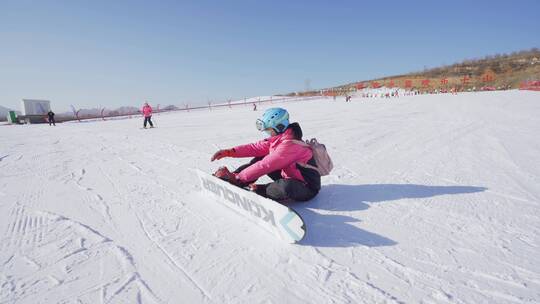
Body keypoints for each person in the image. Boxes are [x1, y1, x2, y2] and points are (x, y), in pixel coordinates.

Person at [210, 108, 320, 202]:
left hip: (306, 187)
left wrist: (238, 179)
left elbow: (267, 165)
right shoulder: (278, 138)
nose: (267, 133)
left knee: (286, 186)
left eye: (269, 130)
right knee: (261, 157)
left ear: (280, 127)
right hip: (288, 174)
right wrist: (229, 152)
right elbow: (254, 148)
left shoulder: (291, 145)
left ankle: (258, 189)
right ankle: (235, 178)